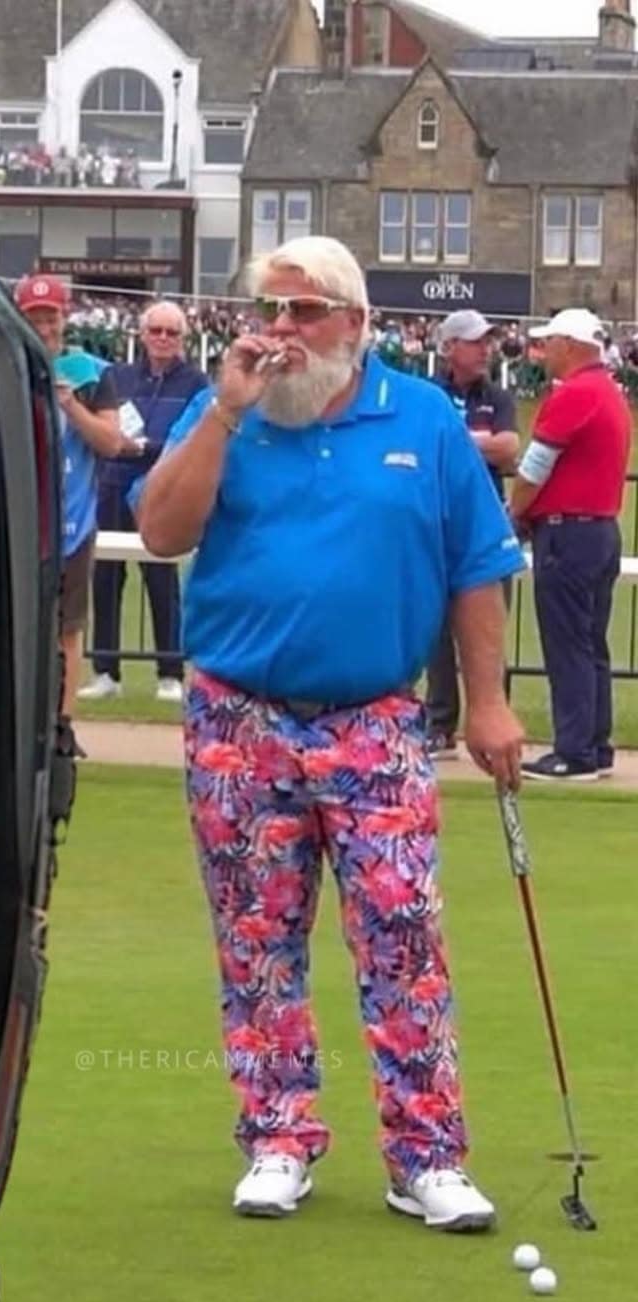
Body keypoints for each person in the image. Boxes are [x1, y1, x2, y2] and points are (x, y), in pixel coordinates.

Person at [133, 236, 525, 1231]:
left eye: (305, 313)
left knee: (402, 933)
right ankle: (277, 1138)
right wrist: (222, 408)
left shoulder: (424, 419)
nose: (282, 332)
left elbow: (477, 565)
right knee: (257, 941)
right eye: (270, 310)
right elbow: (164, 531)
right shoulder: (233, 412)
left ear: (355, 323)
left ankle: (426, 1156)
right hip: (239, 717)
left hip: (376, 717)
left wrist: (487, 701)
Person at [509, 308, 630, 782]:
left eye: (550, 342)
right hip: (599, 529)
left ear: (572, 345)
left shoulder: (575, 394)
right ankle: (594, 745)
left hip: (569, 533)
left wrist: (515, 513)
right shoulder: (609, 393)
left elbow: (535, 467)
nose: (544, 351)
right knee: (590, 642)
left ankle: (574, 751)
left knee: (567, 645)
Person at [79, 301, 208, 704]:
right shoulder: (117, 376)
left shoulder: (196, 383)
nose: (163, 339)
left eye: (172, 332)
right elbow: (104, 427)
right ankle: (105, 670)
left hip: (160, 488)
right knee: (105, 578)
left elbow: (193, 438)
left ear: (183, 339)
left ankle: (169, 671)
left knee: (161, 579)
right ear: (143, 335)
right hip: (114, 484)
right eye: (157, 331)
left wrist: (146, 448)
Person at [14, 274, 124, 723]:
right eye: (33, 318)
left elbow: (112, 442)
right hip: (18, 516)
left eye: (50, 317)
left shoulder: (91, 373)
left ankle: (61, 722)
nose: (43, 328)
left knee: (68, 629)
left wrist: (71, 405)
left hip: (72, 521)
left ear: (65, 317)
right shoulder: (7, 364)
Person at [425, 310, 521, 758]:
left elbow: (509, 448)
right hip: (434, 524)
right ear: (449, 348)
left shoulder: (497, 397)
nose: (485, 349)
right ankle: (439, 726)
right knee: (437, 633)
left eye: (487, 341)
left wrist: (454, 440)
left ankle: (494, 720)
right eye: (474, 341)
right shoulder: (429, 394)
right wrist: (475, 442)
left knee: (488, 628)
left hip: (484, 527)